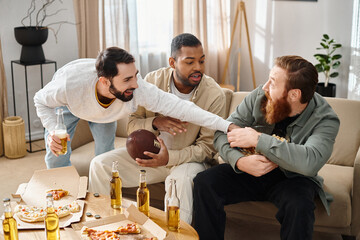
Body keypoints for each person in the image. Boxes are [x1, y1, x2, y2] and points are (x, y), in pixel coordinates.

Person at [193, 55, 340, 240]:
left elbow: (310, 162)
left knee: (300, 206)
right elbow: (223, 132)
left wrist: (258, 139)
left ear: (294, 94)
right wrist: (240, 162)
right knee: (204, 182)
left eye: (272, 82)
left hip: (293, 177)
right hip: (250, 169)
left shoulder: (326, 119)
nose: (264, 87)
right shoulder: (259, 96)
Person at [88, 33, 226, 224]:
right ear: (172, 62)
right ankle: (105, 227)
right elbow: (132, 125)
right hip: (149, 157)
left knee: (180, 182)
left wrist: (170, 158)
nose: (198, 68)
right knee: (99, 165)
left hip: (187, 162)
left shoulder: (214, 95)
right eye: (190, 62)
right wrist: (155, 123)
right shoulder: (151, 82)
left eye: (202, 61)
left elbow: (207, 149)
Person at [34, 46, 233, 169]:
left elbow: (184, 108)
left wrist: (227, 127)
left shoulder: (138, 89)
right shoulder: (69, 85)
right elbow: (40, 100)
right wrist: (52, 130)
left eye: (135, 75)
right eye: (127, 79)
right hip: (71, 105)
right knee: (56, 157)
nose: (136, 84)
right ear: (105, 82)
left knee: (104, 156)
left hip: (105, 112)